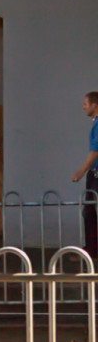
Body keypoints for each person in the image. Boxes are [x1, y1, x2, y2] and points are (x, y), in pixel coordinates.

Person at [72, 91, 98, 257]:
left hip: (96, 173)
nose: (83, 107)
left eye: (85, 104)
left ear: (95, 105)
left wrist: (80, 172)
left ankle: (92, 249)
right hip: (94, 173)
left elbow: (95, 150)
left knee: (89, 210)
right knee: (89, 210)